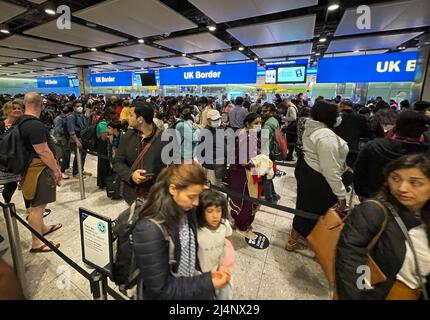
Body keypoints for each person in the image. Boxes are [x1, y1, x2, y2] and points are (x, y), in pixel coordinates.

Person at [336, 154, 430, 300]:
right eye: (395, 178)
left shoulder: (423, 219)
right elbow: (350, 260)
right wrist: (362, 294)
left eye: (415, 182)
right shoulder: (375, 211)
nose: (402, 188)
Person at [133, 163, 231, 299]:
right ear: (173, 189)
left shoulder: (185, 209)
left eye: (198, 195)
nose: (196, 203)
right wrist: (208, 283)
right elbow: (161, 290)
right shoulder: (149, 230)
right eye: (192, 197)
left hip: (188, 284)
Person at [287, 100, 349, 251]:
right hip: (318, 177)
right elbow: (330, 169)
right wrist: (341, 195)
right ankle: (307, 243)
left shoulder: (310, 126)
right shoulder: (326, 136)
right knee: (314, 210)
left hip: (307, 168)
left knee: (303, 205)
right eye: (337, 114)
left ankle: (293, 240)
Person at [20, 93, 62, 253]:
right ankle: (37, 242)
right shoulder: (34, 125)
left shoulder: (22, 121)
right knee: (37, 206)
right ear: (41, 105)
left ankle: (42, 228)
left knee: (37, 204)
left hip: (30, 168)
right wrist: (56, 170)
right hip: (38, 169)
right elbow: (43, 151)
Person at [354, 111, 430, 200]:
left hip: (374, 198)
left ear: (396, 127)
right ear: (422, 130)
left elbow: (359, 172)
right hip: (412, 201)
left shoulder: (374, 146)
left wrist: (362, 194)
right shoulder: (426, 153)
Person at [113, 101, 166, 205]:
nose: (127, 117)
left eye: (131, 115)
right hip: (131, 194)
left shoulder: (166, 139)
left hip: (156, 195)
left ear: (140, 119)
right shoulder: (126, 137)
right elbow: (117, 162)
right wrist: (131, 175)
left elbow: (174, 168)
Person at [229, 113, 263, 240]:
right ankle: (241, 226)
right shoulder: (244, 136)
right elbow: (244, 160)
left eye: (260, 122)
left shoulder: (249, 134)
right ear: (248, 124)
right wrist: (260, 163)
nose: (259, 125)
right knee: (247, 200)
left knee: (249, 198)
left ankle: (240, 221)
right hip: (244, 174)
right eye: (256, 123)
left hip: (249, 171)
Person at [196, 189, 234, 300]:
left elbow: (229, 244)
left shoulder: (224, 224)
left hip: (221, 270)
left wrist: (225, 265)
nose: (215, 216)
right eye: (210, 211)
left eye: (218, 210)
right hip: (202, 275)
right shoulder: (198, 230)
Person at [334, 100, 372, 168]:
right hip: (353, 148)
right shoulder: (361, 118)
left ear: (341, 106)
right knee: (350, 170)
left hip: (337, 148)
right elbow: (366, 133)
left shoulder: (336, 117)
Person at [0, 101, 24, 203]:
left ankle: (30, 208)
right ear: (7, 110)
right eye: (14, 108)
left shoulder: (24, 123)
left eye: (19, 108)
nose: (17, 110)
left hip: (22, 158)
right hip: (6, 161)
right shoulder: (1, 125)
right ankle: (7, 203)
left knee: (26, 184)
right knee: (10, 185)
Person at [197, 109, 226, 187]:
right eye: (215, 119)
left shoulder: (219, 129)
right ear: (208, 120)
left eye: (218, 119)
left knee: (218, 185)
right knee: (212, 187)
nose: (217, 121)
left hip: (219, 164)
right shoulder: (205, 133)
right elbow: (201, 152)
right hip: (210, 166)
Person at [260, 103, 280, 203]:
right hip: (273, 152)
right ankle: (273, 194)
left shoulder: (267, 126)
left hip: (267, 154)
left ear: (271, 112)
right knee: (269, 175)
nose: (262, 113)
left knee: (266, 176)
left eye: (265, 111)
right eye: (262, 111)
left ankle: (269, 198)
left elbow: (264, 144)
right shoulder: (274, 121)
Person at [67, 100, 91, 179]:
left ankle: (81, 169)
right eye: (77, 106)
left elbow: (86, 127)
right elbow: (71, 131)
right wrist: (76, 141)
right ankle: (76, 172)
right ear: (74, 107)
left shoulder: (82, 115)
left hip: (84, 138)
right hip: (76, 138)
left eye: (80, 105)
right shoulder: (71, 117)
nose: (79, 107)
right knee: (78, 156)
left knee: (83, 156)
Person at [95, 108, 115, 189]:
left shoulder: (107, 122)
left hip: (106, 146)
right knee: (103, 165)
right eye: (112, 114)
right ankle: (102, 183)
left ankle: (107, 182)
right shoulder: (103, 124)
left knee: (107, 164)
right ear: (108, 114)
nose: (114, 116)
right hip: (102, 146)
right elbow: (103, 137)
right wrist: (113, 135)